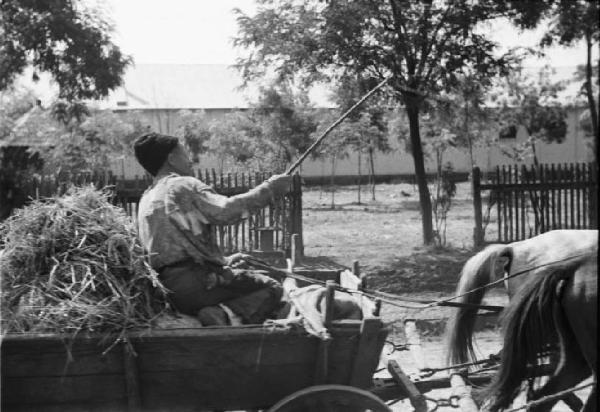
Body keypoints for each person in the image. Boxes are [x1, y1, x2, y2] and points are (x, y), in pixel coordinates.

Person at [133, 132, 291, 326]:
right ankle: (223, 315)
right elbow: (226, 211)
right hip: (199, 282)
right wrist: (270, 190)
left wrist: (224, 261)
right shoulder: (182, 185)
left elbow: (175, 247)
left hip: (167, 290)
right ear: (171, 159)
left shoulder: (146, 198)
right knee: (272, 288)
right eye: (184, 154)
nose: (190, 161)